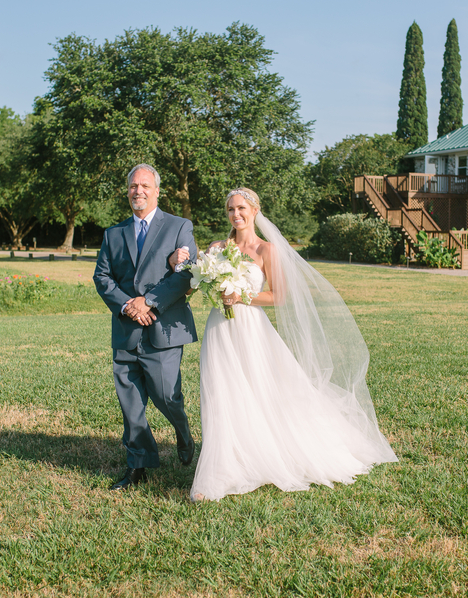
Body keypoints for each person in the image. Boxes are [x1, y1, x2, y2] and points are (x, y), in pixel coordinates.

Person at [168, 188, 397, 502]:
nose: (236, 215)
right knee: (221, 392)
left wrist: (241, 296)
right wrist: (191, 273)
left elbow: (279, 296)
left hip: (251, 328)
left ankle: (263, 452)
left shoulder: (267, 250)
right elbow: (197, 282)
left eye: (241, 209)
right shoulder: (217, 248)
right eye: (230, 210)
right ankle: (223, 465)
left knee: (260, 389)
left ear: (255, 210)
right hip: (219, 328)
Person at [94, 164, 199, 491]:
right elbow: (102, 277)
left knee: (168, 396)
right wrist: (128, 305)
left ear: (157, 190)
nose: (138, 191)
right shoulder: (113, 233)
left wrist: (148, 302)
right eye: (133, 186)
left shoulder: (180, 226)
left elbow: (187, 274)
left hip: (164, 329)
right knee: (131, 403)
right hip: (126, 329)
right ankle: (137, 465)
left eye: (144, 186)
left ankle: (183, 434)